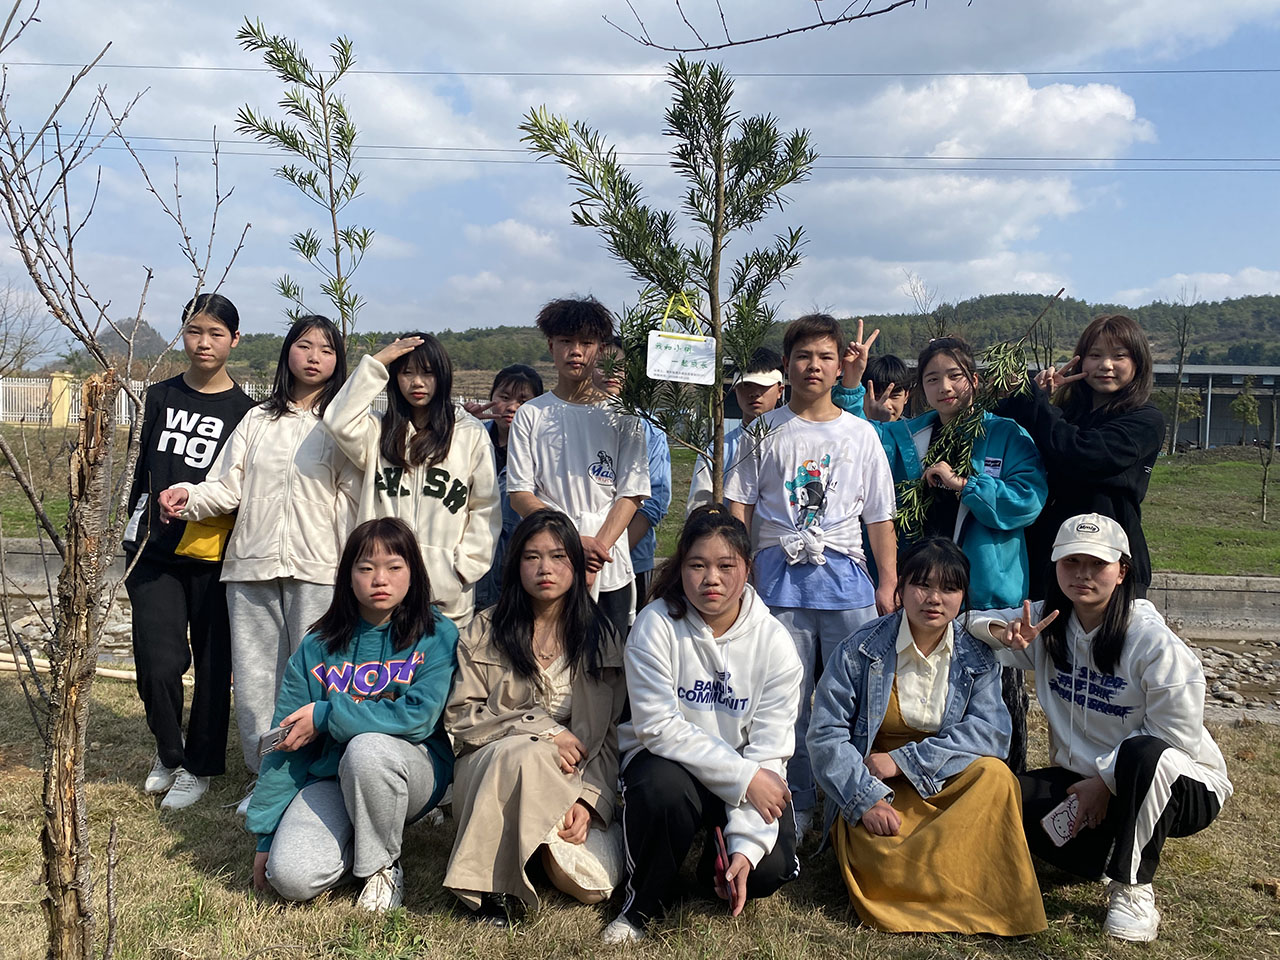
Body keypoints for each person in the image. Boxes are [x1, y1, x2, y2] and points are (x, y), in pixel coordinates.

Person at [969, 513, 1232, 943]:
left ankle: (1132, 889)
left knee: (1144, 753)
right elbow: (968, 624)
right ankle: (1109, 849)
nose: (1083, 575)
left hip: (1179, 784)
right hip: (1081, 780)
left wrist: (1105, 783)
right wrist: (1004, 631)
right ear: (1055, 566)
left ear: (1122, 570)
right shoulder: (1047, 624)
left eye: (1097, 564)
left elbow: (1176, 740)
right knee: (1005, 798)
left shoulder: (1151, 642)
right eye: (1071, 562)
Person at [158, 315, 358, 812]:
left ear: (339, 362)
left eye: (327, 350)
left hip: (319, 569)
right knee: (255, 683)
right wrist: (188, 495)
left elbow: (357, 503)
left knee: (315, 678)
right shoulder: (257, 420)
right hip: (250, 567)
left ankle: (312, 777)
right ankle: (265, 777)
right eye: (305, 345)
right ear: (286, 351)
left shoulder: (346, 427)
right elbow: (227, 485)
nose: (314, 357)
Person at [806, 538, 1046, 935]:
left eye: (949, 588)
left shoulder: (977, 656)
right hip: (877, 787)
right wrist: (864, 800)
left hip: (944, 783)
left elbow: (990, 734)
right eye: (922, 585)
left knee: (995, 777)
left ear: (963, 597)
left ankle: (959, 887)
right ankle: (956, 878)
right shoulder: (860, 650)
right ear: (900, 589)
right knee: (884, 852)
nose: (934, 599)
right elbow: (826, 735)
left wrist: (903, 761)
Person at [836, 331, 1048, 768]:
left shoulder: (1005, 434)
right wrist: (852, 388)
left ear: (973, 378)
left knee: (996, 703)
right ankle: (924, 778)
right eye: (933, 380)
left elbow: (1028, 498)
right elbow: (859, 438)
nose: (945, 388)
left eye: (954, 376)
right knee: (928, 699)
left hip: (987, 595)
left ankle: (1002, 784)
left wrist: (965, 484)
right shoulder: (908, 436)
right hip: (926, 593)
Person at [724, 313, 898, 843]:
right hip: (778, 579)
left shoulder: (861, 434)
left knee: (855, 695)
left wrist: (888, 582)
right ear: (786, 365)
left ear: (840, 360)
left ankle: (853, 799)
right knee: (785, 699)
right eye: (804, 356)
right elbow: (739, 507)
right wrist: (737, 575)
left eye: (825, 356)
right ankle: (794, 802)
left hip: (845, 577)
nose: (814, 366)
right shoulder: (760, 432)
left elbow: (879, 518)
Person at [603, 506, 804, 945]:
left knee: (771, 868)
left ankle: (711, 864)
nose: (711, 578)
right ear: (681, 568)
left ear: (747, 569)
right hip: (668, 766)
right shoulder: (655, 625)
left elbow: (769, 750)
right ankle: (643, 903)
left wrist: (746, 848)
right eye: (697, 565)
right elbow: (656, 726)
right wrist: (745, 776)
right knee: (661, 790)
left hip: (744, 774)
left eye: (725, 565)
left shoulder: (776, 645)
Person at [246, 518, 457, 913]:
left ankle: (381, 868)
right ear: (348, 575)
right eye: (366, 567)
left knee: (367, 749)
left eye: (394, 567)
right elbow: (284, 744)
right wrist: (265, 835)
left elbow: (419, 718)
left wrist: (327, 716)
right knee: (290, 877)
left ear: (413, 572)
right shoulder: (317, 645)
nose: (380, 578)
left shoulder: (437, 634)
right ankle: (356, 846)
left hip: (413, 771)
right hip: (332, 776)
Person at [444, 510, 626, 925]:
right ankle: (486, 891)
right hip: (488, 768)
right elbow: (460, 718)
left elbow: (611, 734)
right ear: (515, 565)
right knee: (523, 753)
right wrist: (542, 730)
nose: (545, 568)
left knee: (592, 886)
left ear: (577, 567)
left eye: (559, 557)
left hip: (572, 778)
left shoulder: (602, 638)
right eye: (531, 557)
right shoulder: (484, 630)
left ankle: (535, 846)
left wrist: (590, 799)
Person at [123, 294, 256, 810]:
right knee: (158, 662)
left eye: (216, 334)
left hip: (217, 555)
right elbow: (137, 473)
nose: (204, 342)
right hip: (154, 552)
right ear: (183, 333)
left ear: (234, 340)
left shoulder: (247, 413)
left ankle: (199, 766)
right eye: (195, 331)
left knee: (212, 663)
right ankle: (169, 750)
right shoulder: (157, 397)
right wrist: (128, 534)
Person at [323, 334, 500, 629]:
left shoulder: (469, 434)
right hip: (381, 593)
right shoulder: (378, 431)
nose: (417, 382)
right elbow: (337, 420)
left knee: (440, 674)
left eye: (427, 373)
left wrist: (463, 569)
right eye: (407, 373)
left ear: (442, 376)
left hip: (445, 601)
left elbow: (485, 507)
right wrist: (379, 361)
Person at [507, 297, 649, 639]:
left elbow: (631, 493)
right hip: (548, 557)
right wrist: (570, 543)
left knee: (608, 661)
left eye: (586, 343)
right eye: (567, 342)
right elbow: (520, 493)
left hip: (607, 558)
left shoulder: (623, 415)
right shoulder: (531, 414)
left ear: (600, 349)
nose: (576, 352)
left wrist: (595, 549)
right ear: (551, 346)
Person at [995, 314, 1164, 596]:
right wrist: (1028, 395)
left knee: (1106, 638)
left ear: (1138, 363)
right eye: (1095, 355)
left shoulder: (1145, 419)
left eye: (1119, 356)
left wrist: (1037, 403)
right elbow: (1003, 430)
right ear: (1081, 359)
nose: (1105, 365)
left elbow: (1082, 453)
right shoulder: (1067, 413)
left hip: (1106, 558)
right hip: (1050, 553)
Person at [592, 336, 672, 608]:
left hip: (631, 559)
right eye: (603, 365)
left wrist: (611, 551)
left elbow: (654, 501)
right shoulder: (571, 424)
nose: (611, 374)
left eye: (620, 366)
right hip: (576, 559)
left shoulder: (649, 427)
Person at [467, 364, 544, 610]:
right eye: (504, 397)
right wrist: (463, 425)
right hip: (473, 564)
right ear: (491, 398)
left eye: (523, 400)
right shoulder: (471, 438)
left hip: (518, 568)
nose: (512, 407)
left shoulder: (544, 451)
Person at [686, 347, 785, 516]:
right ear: (734, 390)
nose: (754, 393)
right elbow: (699, 505)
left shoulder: (795, 440)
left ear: (779, 390)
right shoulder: (717, 449)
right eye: (746, 385)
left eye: (763, 386)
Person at [860, 353, 911, 423]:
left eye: (894, 396)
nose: (885, 405)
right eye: (876, 397)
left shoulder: (915, 432)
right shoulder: (850, 431)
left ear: (906, 396)